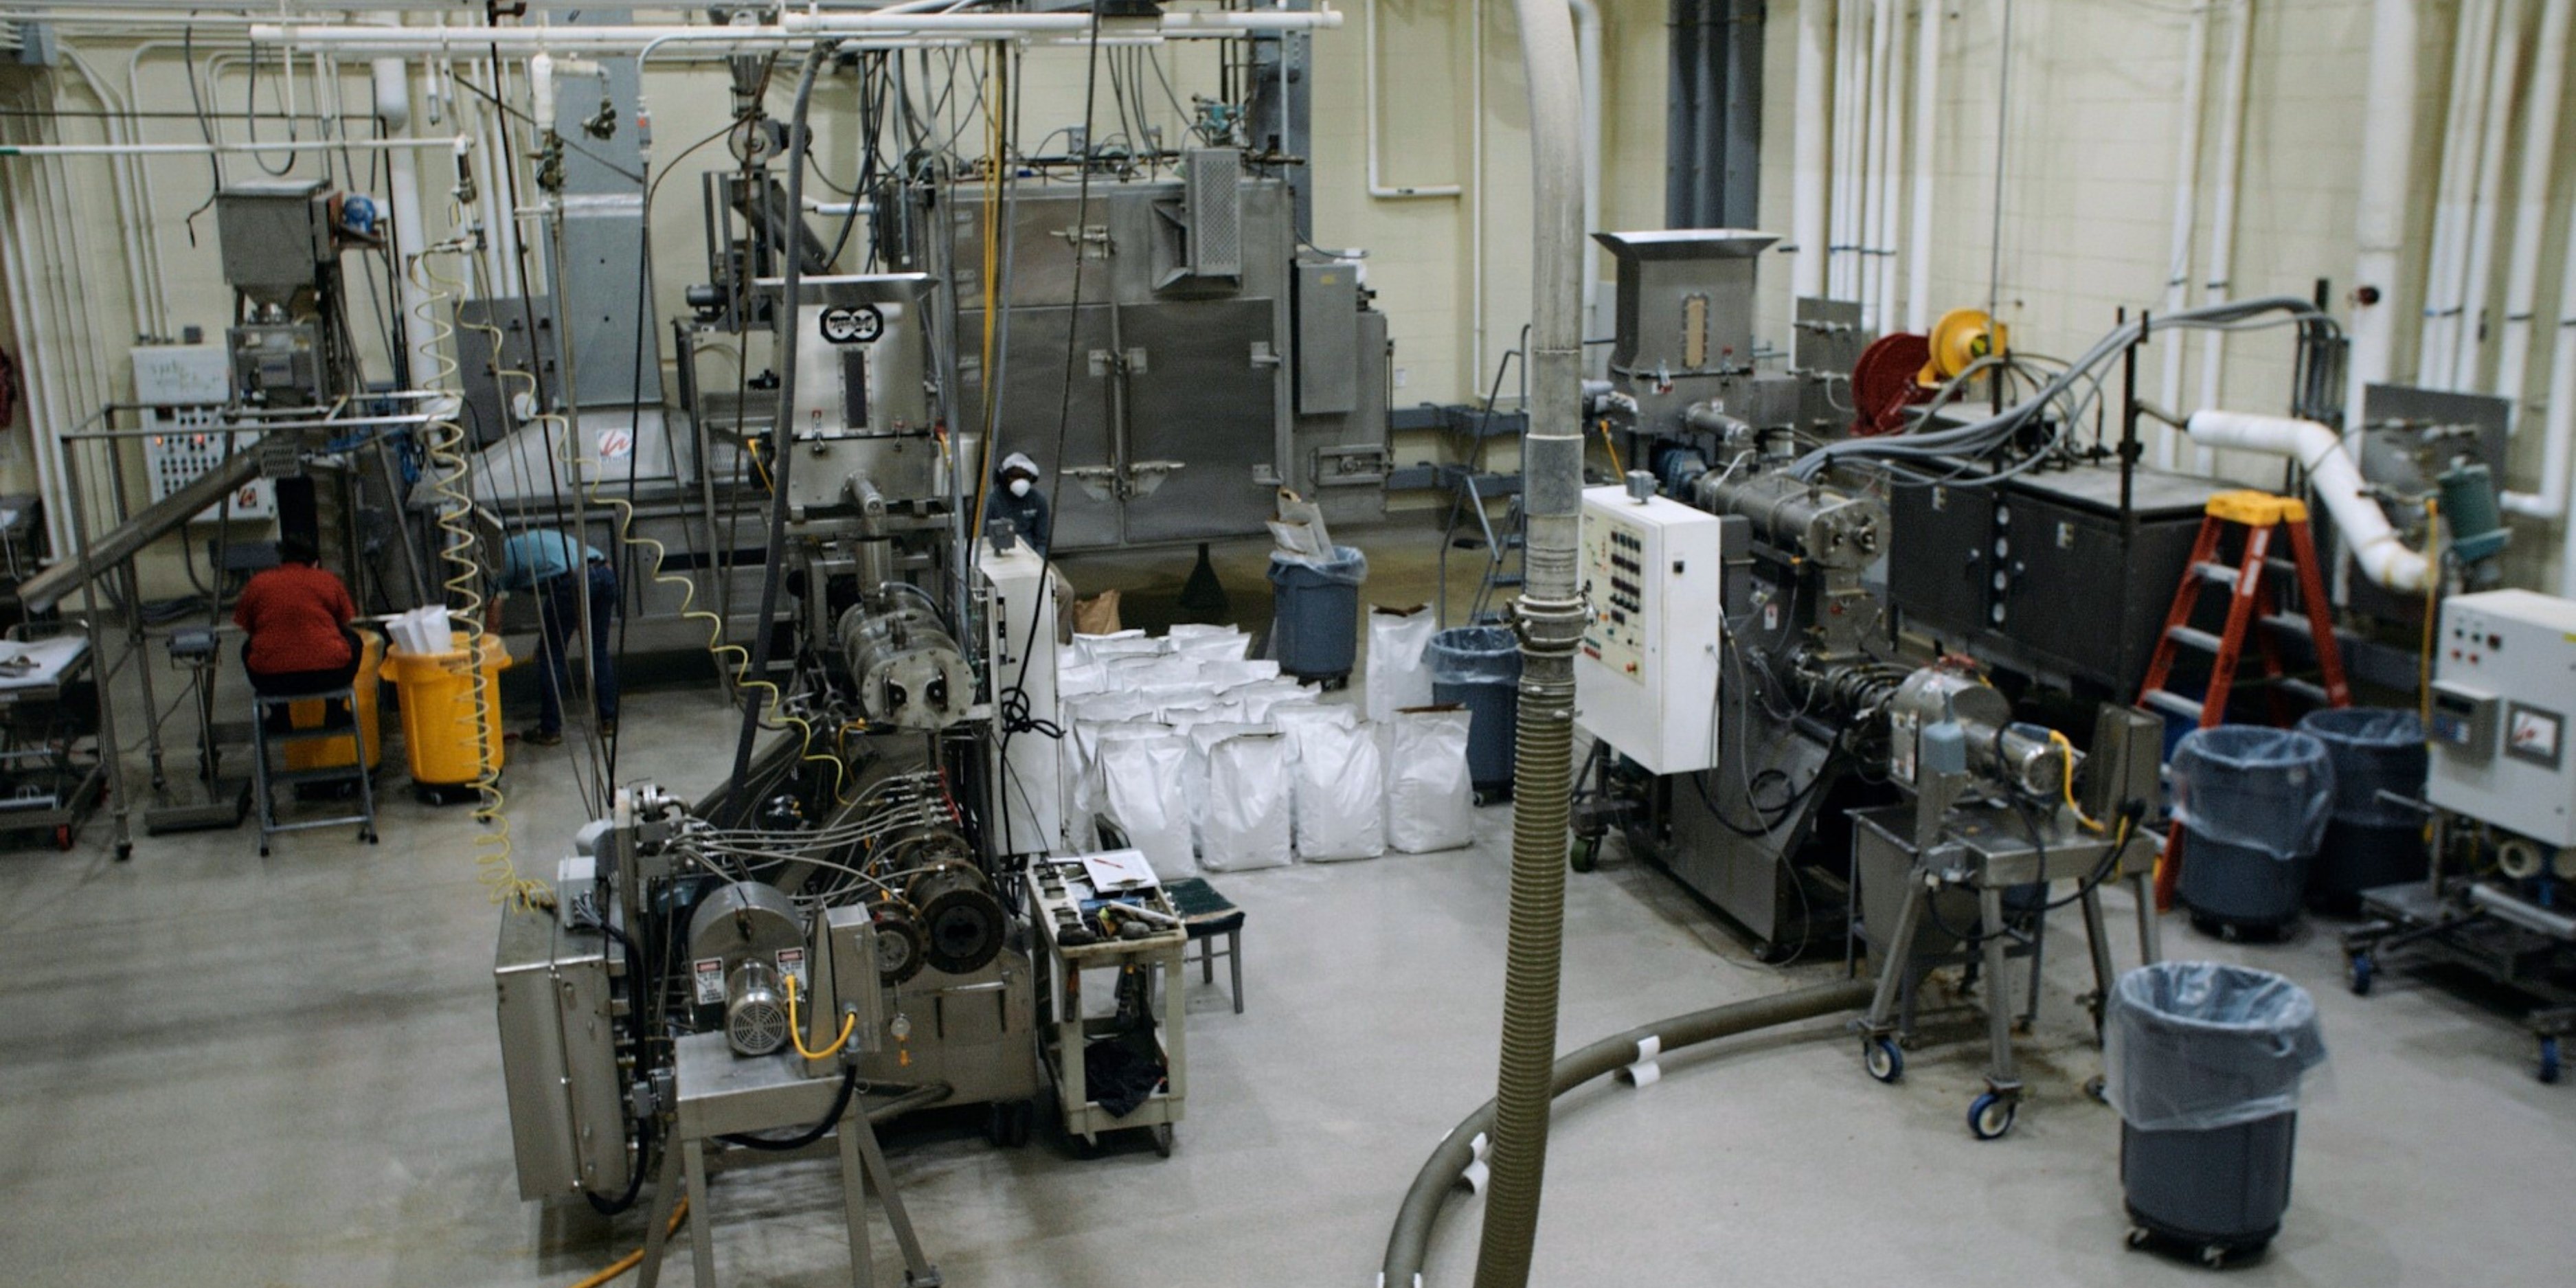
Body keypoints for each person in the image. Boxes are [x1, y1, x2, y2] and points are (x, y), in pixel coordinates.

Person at [494, 529, 618, 746]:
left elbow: (494, 614)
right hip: (605, 572)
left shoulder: (498, 561)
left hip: (573, 578)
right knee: (596, 648)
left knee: (552, 656)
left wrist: (487, 656)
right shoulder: (527, 541)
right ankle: (608, 720)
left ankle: (550, 729)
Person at [233, 534, 361, 702]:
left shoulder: (259, 583)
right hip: (330, 676)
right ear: (315, 563)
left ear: (282, 561)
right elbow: (345, 620)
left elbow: (247, 626)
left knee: (247, 647)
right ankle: (334, 712)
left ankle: (280, 718)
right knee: (354, 639)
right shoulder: (328, 580)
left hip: (271, 680)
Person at [987, 451, 1052, 558]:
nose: (1020, 480)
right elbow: (984, 540)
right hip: (1000, 556)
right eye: (1015, 476)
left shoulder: (1038, 501)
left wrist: (1038, 562)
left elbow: (1042, 541)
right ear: (1004, 477)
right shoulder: (992, 502)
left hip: (1030, 556)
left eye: (1025, 476)